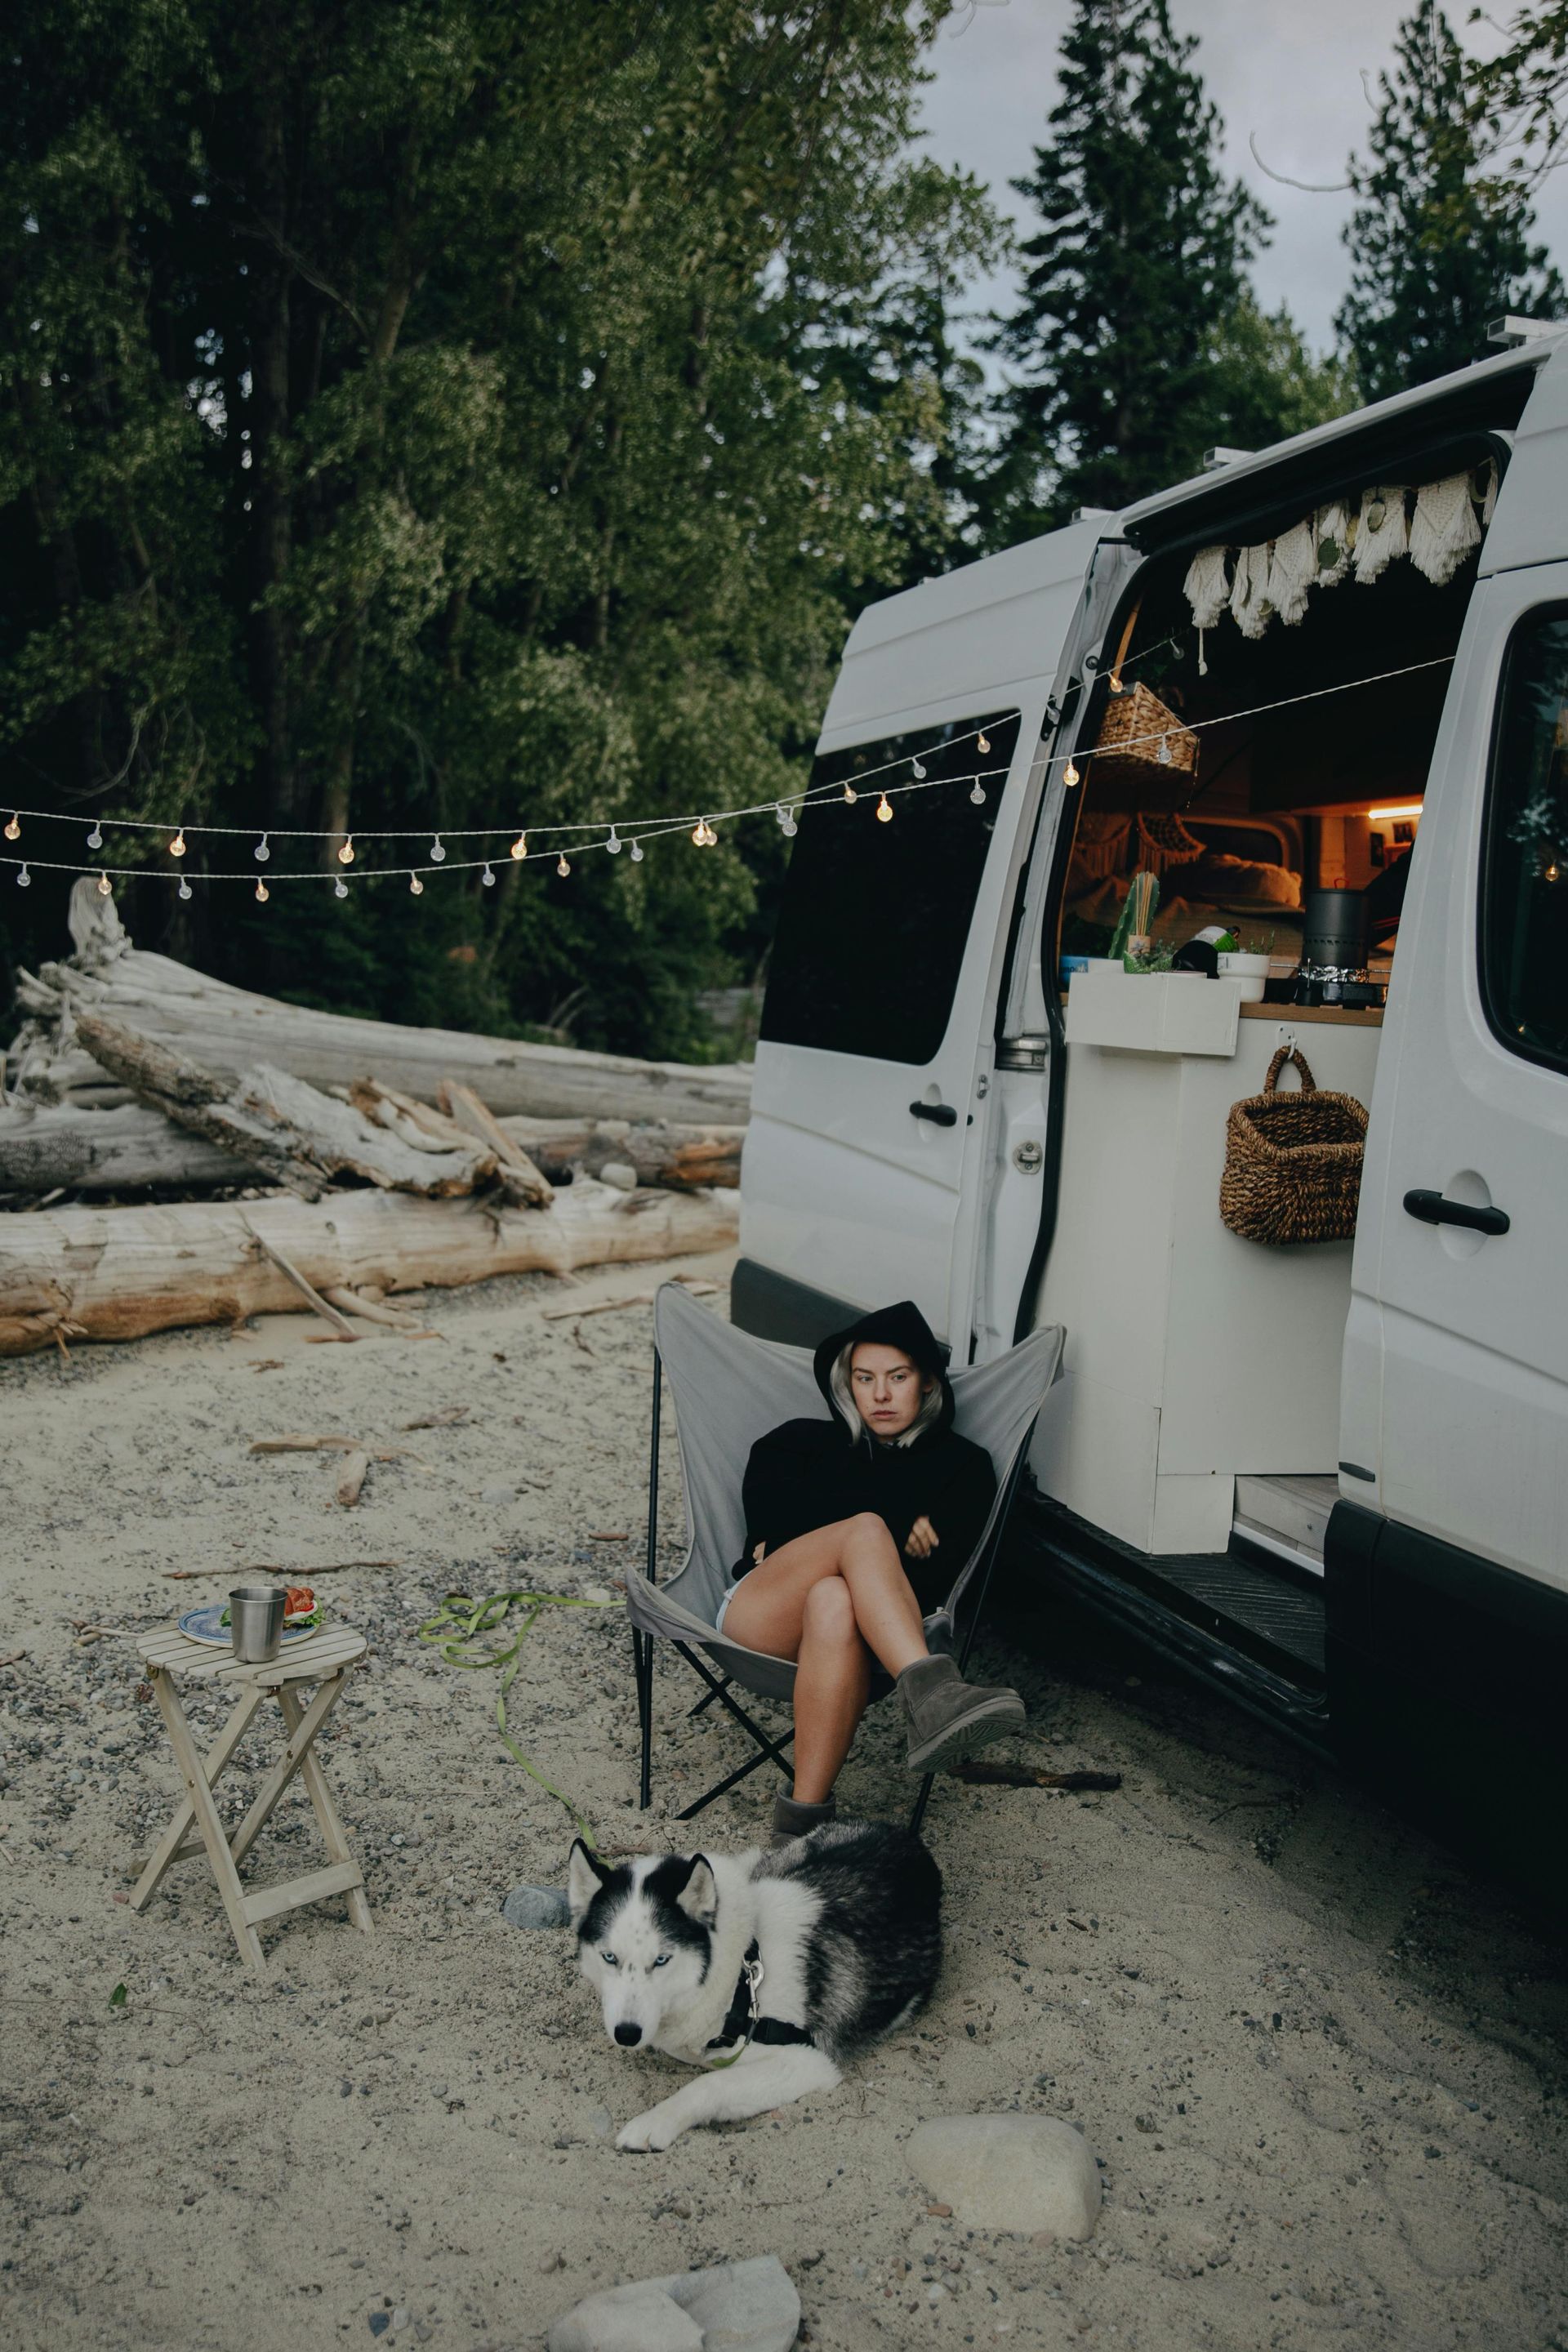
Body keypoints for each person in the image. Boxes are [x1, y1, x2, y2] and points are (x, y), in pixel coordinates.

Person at [718, 1301, 1027, 1843]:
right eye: (865, 1379)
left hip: (849, 1639)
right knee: (861, 1535)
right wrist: (891, 1525)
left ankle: (797, 1833)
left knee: (836, 1596)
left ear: (927, 1384)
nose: (880, 1395)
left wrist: (855, 1541)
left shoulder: (964, 1468)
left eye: (897, 1378)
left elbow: (933, 1586)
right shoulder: (797, 1443)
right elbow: (771, 1548)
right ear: (848, 1385)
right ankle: (931, 1693)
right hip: (762, 1615)